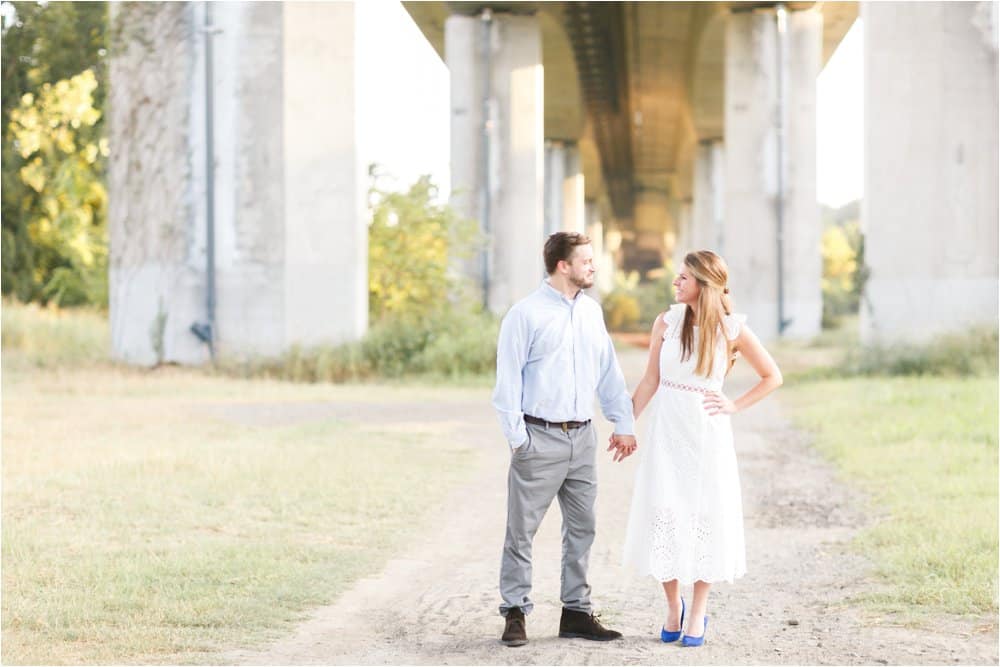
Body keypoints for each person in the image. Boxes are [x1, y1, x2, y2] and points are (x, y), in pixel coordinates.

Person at [621, 250, 782, 647]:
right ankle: (673, 605)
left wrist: (733, 405)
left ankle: (698, 611)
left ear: (704, 285)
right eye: (676, 277)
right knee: (665, 513)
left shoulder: (732, 329)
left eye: (683, 278)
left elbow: (771, 376)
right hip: (666, 431)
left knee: (705, 517)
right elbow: (649, 381)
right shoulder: (666, 321)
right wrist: (625, 425)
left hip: (707, 435)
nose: (675, 283)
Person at [492, 231, 638, 647]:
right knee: (521, 531)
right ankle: (515, 612)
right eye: (586, 260)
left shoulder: (591, 313)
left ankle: (576, 612)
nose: (593, 266)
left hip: (583, 438)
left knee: (583, 528)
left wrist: (622, 422)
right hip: (539, 438)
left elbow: (608, 371)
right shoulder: (526, 314)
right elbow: (507, 384)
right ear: (563, 266)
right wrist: (520, 442)